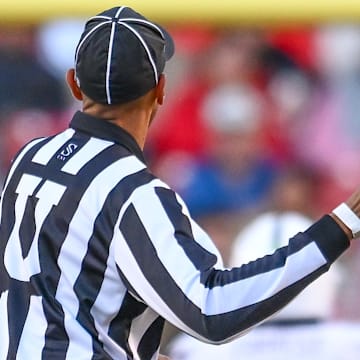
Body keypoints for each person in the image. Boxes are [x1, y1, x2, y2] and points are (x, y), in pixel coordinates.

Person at [1, 5, 360, 360]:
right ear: (160, 89)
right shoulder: (131, 192)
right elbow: (211, 311)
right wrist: (339, 227)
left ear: (73, 84)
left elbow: (55, 302)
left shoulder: (27, 158)